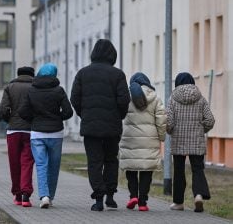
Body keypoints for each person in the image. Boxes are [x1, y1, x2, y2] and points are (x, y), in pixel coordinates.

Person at [70, 39, 130, 211]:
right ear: (112, 55)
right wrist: (118, 116)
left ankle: (98, 198)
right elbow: (124, 100)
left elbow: (74, 99)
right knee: (111, 160)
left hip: (91, 127)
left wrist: (85, 115)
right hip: (112, 127)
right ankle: (110, 195)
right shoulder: (118, 75)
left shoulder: (82, 74)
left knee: (94, 162)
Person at [19, 63, 73, 209]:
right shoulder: (59, 90)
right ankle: (51, 196)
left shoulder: (32, 90)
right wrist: (57, 117)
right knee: (53, 167)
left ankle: (44, 196)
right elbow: (68, 112)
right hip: (56, 133)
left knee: (41, 165)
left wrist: (35, 119)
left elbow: (23, 112)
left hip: (37, 133)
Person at [166, 72, 215, 213]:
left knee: (179, 171)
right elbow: (210, 120)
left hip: (178, 140)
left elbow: (168, 122)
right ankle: (198, 195)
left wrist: (171, 131)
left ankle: (178, 202)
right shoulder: (200, 99)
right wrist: (201, 130)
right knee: (197, 169)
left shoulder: (173, 99)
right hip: (196, 140)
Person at [119, 72, 166, 211]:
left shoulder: (126, 97)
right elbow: (161, 120)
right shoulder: (155, 98)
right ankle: (143, 202)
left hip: (129, 138)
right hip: (150, 139)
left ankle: (133, 195)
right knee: (147, 170)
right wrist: (162, 137)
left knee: (131, 167)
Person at [0, 66, 35, 207]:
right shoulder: (35, 87)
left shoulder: (9, 87)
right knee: (27, 163)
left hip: (13, 130)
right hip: (30, 130)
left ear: (18, 74)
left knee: (14, 163)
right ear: (32, 75)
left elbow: (3, 109)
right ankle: (26, 195)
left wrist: (9, 120)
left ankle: (17, 195)